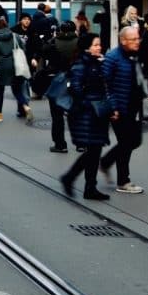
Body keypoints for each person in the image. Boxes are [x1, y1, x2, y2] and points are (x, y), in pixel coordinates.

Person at [60, 33, 111, 201]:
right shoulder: (81, 64)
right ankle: (74, 180)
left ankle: (88, 186)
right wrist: (89, 104)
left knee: (94, 151)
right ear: (87, 47)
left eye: (99, 44)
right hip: (86, 114)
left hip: (96, 113)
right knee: (93, 150)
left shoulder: (96, 63)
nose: (99, 47)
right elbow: (75, 87)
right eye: (96, 45)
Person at [99, 26, 146, 194]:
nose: (137, 42)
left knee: (134, 141)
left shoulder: (134, 56)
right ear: (123, 40)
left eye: (137, 38)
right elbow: (104, 84)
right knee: (126, 143)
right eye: (133, 39)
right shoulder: (113, 58)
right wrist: (113, 107)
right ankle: (123, 181)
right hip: (120, 108)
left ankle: (106, 162)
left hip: (134, 107)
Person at [40, 21, 79, 153]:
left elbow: (44, 54)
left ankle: (60, 144)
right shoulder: (80, 43)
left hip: (56, 81)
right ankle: (81, 144)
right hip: (75, 81)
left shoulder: (53, 42)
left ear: (60, 30)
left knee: (57, 115)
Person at [0, 16, 33, 123]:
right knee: (17, 90)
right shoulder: (15, 36)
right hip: (16, 65)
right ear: (7, 26)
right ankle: (26, 107)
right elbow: (23, 49)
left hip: (2, 66)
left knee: (0, 91)